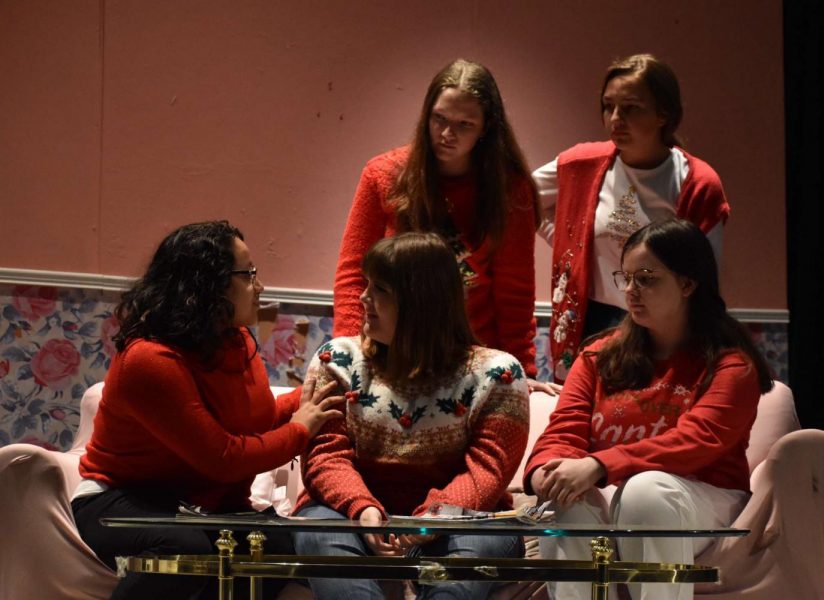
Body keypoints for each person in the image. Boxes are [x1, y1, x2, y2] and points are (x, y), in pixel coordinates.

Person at [70, 221, 345, 600]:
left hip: (196, 505)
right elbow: (223, 458)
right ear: (207, 284)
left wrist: (316, 395)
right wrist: (301, 429)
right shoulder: (149, 358)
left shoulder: (234, 339)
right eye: (248, 275)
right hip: (120, 499)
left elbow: (255, 419)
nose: (260, 287)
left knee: (282, 543)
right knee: (183, 548)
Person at [524, 219, 773, 600]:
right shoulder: (599, 355)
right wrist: (548, 470)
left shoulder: (732, 365)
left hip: (705, 498)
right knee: (566, 500)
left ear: (688, 285)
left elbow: (699, 440)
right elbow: (564, 429)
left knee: (647, 490)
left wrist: (600, 464)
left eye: (646, 278)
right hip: (615, 491)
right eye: (625, 278)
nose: (630, 291)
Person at [294, 232, 530, 599]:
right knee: (321, 534)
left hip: (461, 518)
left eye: (381, 290)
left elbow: (487, 469)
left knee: (472, 551)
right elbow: (325, 455)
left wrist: (432, 518)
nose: (363, 298)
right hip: (346, 510)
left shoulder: (497, 373)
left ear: (422, 302)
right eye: (366, 284)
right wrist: (362, 509)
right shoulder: (336, 360)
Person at [332, 57, 544, 388]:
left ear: (486, 127)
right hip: (391, 352)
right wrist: (350, 351)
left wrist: (521, 371)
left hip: (472, 358)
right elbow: (354, 273)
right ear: (426, 115)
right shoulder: (384, 174)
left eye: (464, 124)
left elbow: (515, 292)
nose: (447, 134)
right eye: (439, 119)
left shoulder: (509, 188)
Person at [533, 54, 731, 381]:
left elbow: (706, 281)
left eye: (631, 108)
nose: (615, 119)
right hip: (590, 321)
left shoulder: (695, 182)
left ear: (663, 114)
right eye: (608, 106)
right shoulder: (583, 163)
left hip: (663, 328)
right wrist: (566, 243)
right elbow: (517, 197)